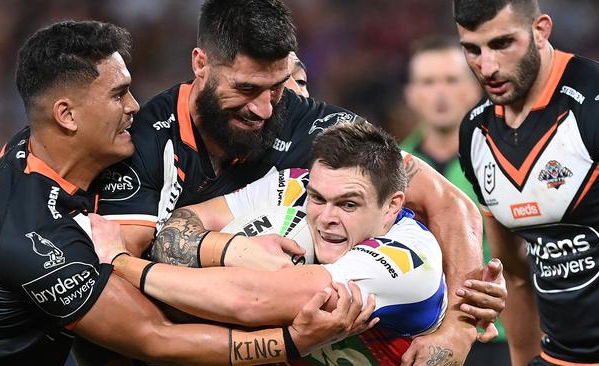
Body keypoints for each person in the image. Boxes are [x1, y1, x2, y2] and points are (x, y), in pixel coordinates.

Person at [96, 1, 505, 363]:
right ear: (200, 64)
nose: (264, 108)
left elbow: (449, 202)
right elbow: (129, 291)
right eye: (247, 88)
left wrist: (459, 326)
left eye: (277, 89)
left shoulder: (317, 132)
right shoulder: (150, 142)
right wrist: (229, 249)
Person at [0, 20, 373, 366]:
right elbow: (155, 337)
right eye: (118, 95)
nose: (135, 107)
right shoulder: (36, 243)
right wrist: (289, 342)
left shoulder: (38, 148)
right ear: (67, 115)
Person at [95, 120, 447, 366]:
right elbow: (182, 223)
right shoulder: (294, 186)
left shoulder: (407, 260)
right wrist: (232, 250)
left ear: (392, 207)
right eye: (318, 198)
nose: (326, 218)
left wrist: (122, 260)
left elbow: (251, 300)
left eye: (349, 204)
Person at [453, 0, 599, 364]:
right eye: (472, 49)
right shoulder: (476, 133)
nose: (486, 67)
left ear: (540, 30)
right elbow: (513, 275)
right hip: (556, 355)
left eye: (502, 44)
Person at [400, 37, 511, 365]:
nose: (440, 93)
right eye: (428, 82)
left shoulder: (508, 164)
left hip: (495, 335)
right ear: (411, 94)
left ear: (475, 89)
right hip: (417, 339)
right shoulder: (389, 169)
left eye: (450, 80)